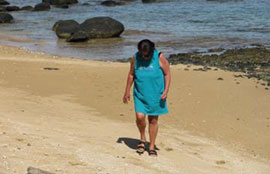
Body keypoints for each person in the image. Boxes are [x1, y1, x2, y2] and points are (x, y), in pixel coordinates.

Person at [123, 39, 171, 156]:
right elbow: (131, 75)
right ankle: (143, 138)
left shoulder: (159, 57)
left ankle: (151, 146)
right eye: (142, 54)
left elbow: (167, 73)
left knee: (153, 120)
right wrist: (127, 91)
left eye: (147, 55)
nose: (144, 57)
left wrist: (166, 90)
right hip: (140, 93)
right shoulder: (135, 57)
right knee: (140, 117)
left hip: (156, 94)